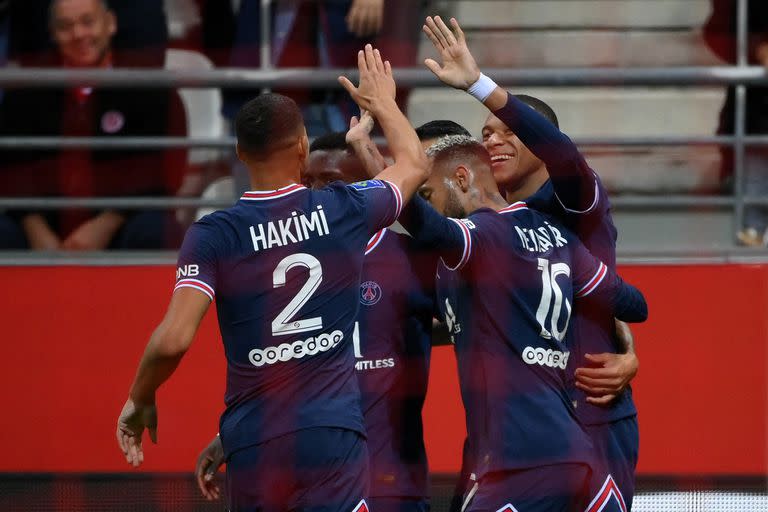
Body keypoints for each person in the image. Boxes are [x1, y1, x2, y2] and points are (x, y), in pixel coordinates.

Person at [115, 44, 430, 512]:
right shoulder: (344, 208)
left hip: (255, 435)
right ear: (304, 146)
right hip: (331, 432)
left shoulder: (213, 234)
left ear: (240, 152)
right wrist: (383, 103)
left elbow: (173, 340)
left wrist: (140, 398)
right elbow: (415, 165)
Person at [422, 16, 643, 511]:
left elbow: (614, 296)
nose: (494, 140)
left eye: (508, 131)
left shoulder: (576, 203)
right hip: (511, 428)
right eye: (485, 134)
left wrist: (480, 86)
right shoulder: (485, 232)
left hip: (592, 413)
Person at [399, 134, 647, 511]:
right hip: (578, 457)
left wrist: (379, 157)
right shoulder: (557, 236)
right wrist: (625, 344)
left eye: (428, 194)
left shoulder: (480, 236)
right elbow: (632, 303)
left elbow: (423, 224)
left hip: (520, 459)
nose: (427, 206)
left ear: (461, 179)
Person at [195, 127, 437, 512]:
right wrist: (231, 436)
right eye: (309, 180)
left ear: (366, 189)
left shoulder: (412, 259)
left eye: (332, 182)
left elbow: (478, 320)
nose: (316, 190)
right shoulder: (286, 264)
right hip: (309, 477)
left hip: (391, 485)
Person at [0, 0, 187, 250]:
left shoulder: (151, 90)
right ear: (53, 34)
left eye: (88, 22)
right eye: (65, 26)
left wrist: (105, 225)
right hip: (43, 229)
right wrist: (37, 231)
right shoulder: (25, 94)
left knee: (158, 230)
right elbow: (12, 171)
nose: (78, 35)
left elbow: (163, 175)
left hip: (123, 223)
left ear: (110, 24)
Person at [703, 0, 768, 246]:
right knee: (756, 161)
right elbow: (721, 31)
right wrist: (756, 47)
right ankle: (753, 227)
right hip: (757, 107)